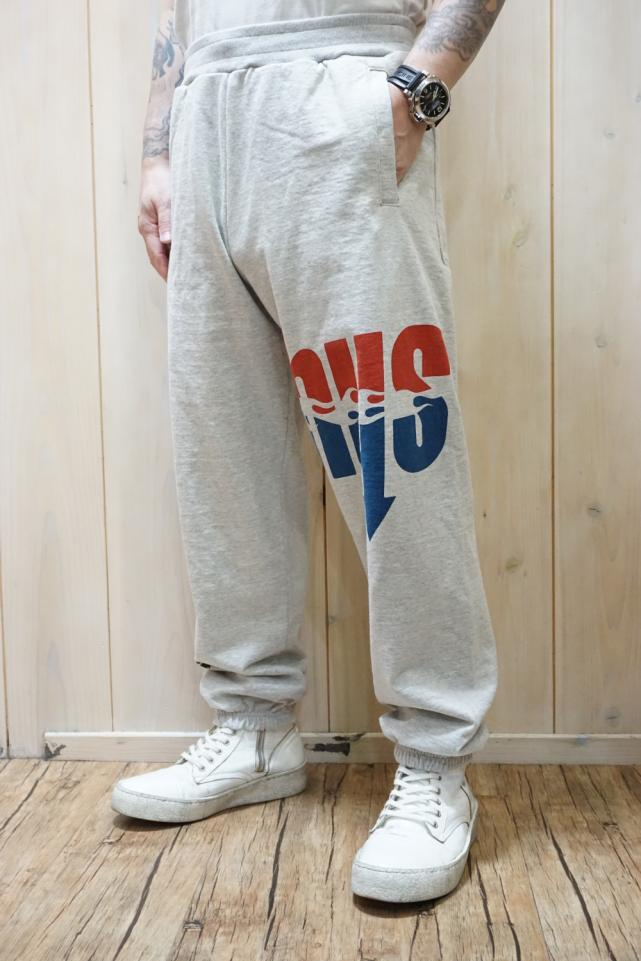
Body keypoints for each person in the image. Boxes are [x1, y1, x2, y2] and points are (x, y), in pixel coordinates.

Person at [111, 0, 506, 904]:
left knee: (394, 457)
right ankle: (254, 726)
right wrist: (158, 151)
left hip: (343, 89)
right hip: (207, 112)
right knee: (223, 449)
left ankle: (435, 759)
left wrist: (415, 93)